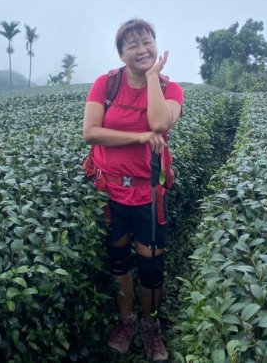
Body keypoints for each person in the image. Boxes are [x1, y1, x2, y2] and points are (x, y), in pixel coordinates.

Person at [82, 19, 184, 361]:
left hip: (147, 194)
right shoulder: (106, 84)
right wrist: (138, 137)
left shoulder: (172, 89)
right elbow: (91, 132)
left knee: (151, 269)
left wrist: (152, 77)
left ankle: (150, 327)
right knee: (119, 263)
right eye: (132, 45)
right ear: (121, 54)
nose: (141, 50)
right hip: (110, 191)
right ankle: (127, 322)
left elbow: (159, 123)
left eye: (146, 41)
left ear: (155, 44)